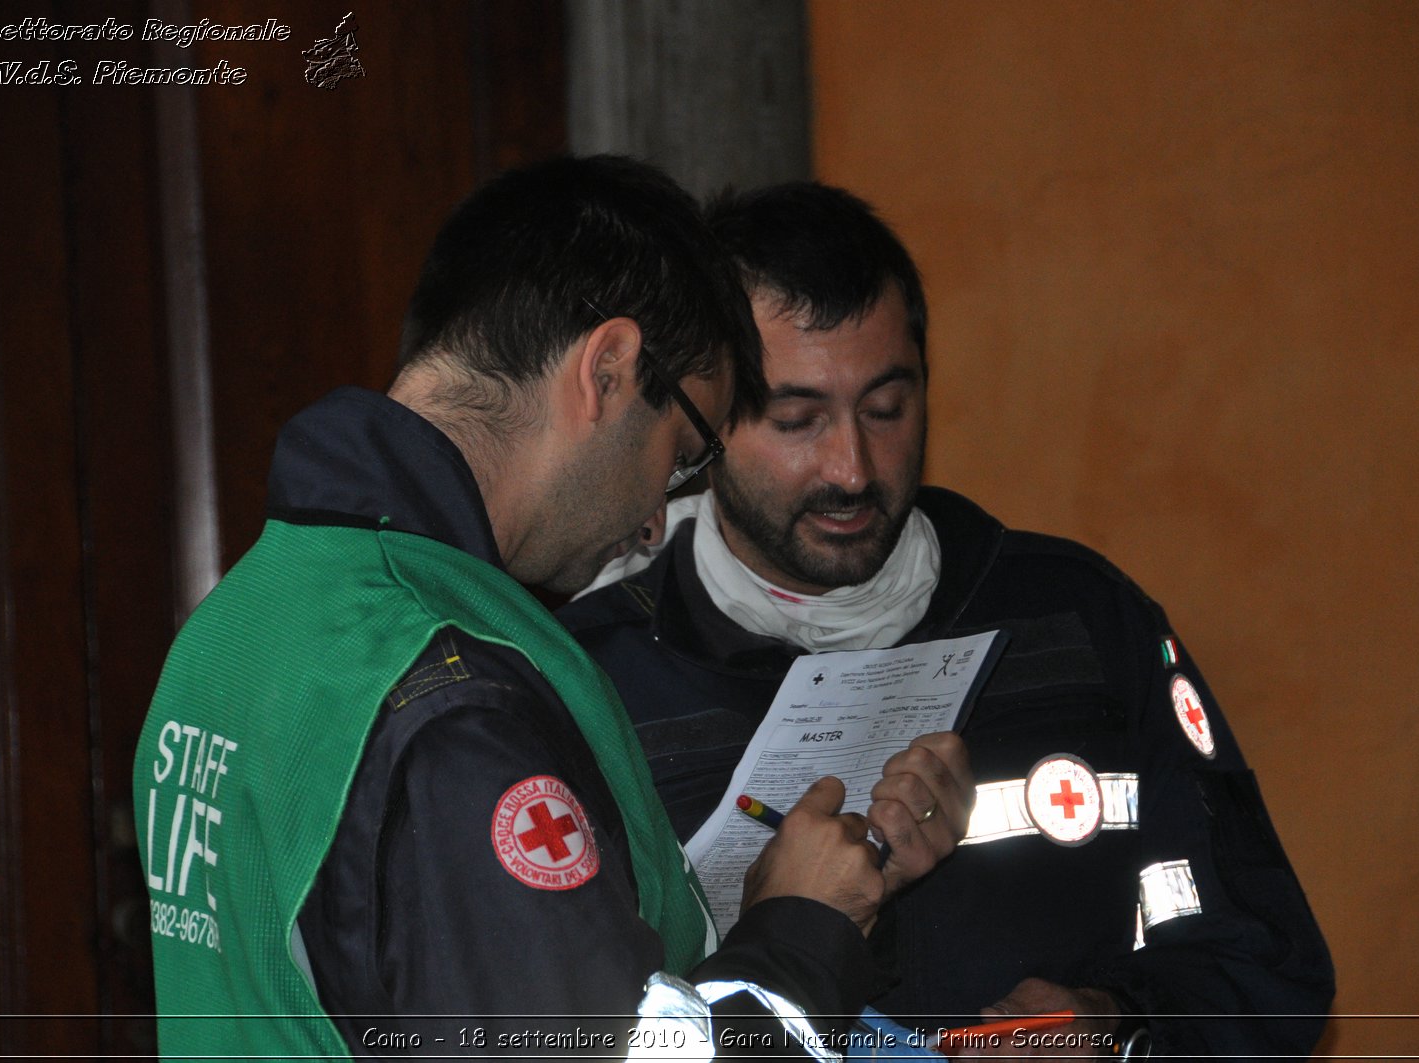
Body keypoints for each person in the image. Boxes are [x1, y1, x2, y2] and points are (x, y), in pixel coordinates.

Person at [132, 156, 973, 1061]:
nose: (658, 514)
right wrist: (804, 931)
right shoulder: (451, 706)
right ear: (607, 370)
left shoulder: (243, 620)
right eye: (683, 453)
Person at [561, 182, 1336, 1060]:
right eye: (795, 418)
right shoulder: (599, 683)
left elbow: (1267, 966)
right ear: (705, 422)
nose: (851, 468)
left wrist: (1115, 1022)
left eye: (887, 408)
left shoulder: (1078, 622)